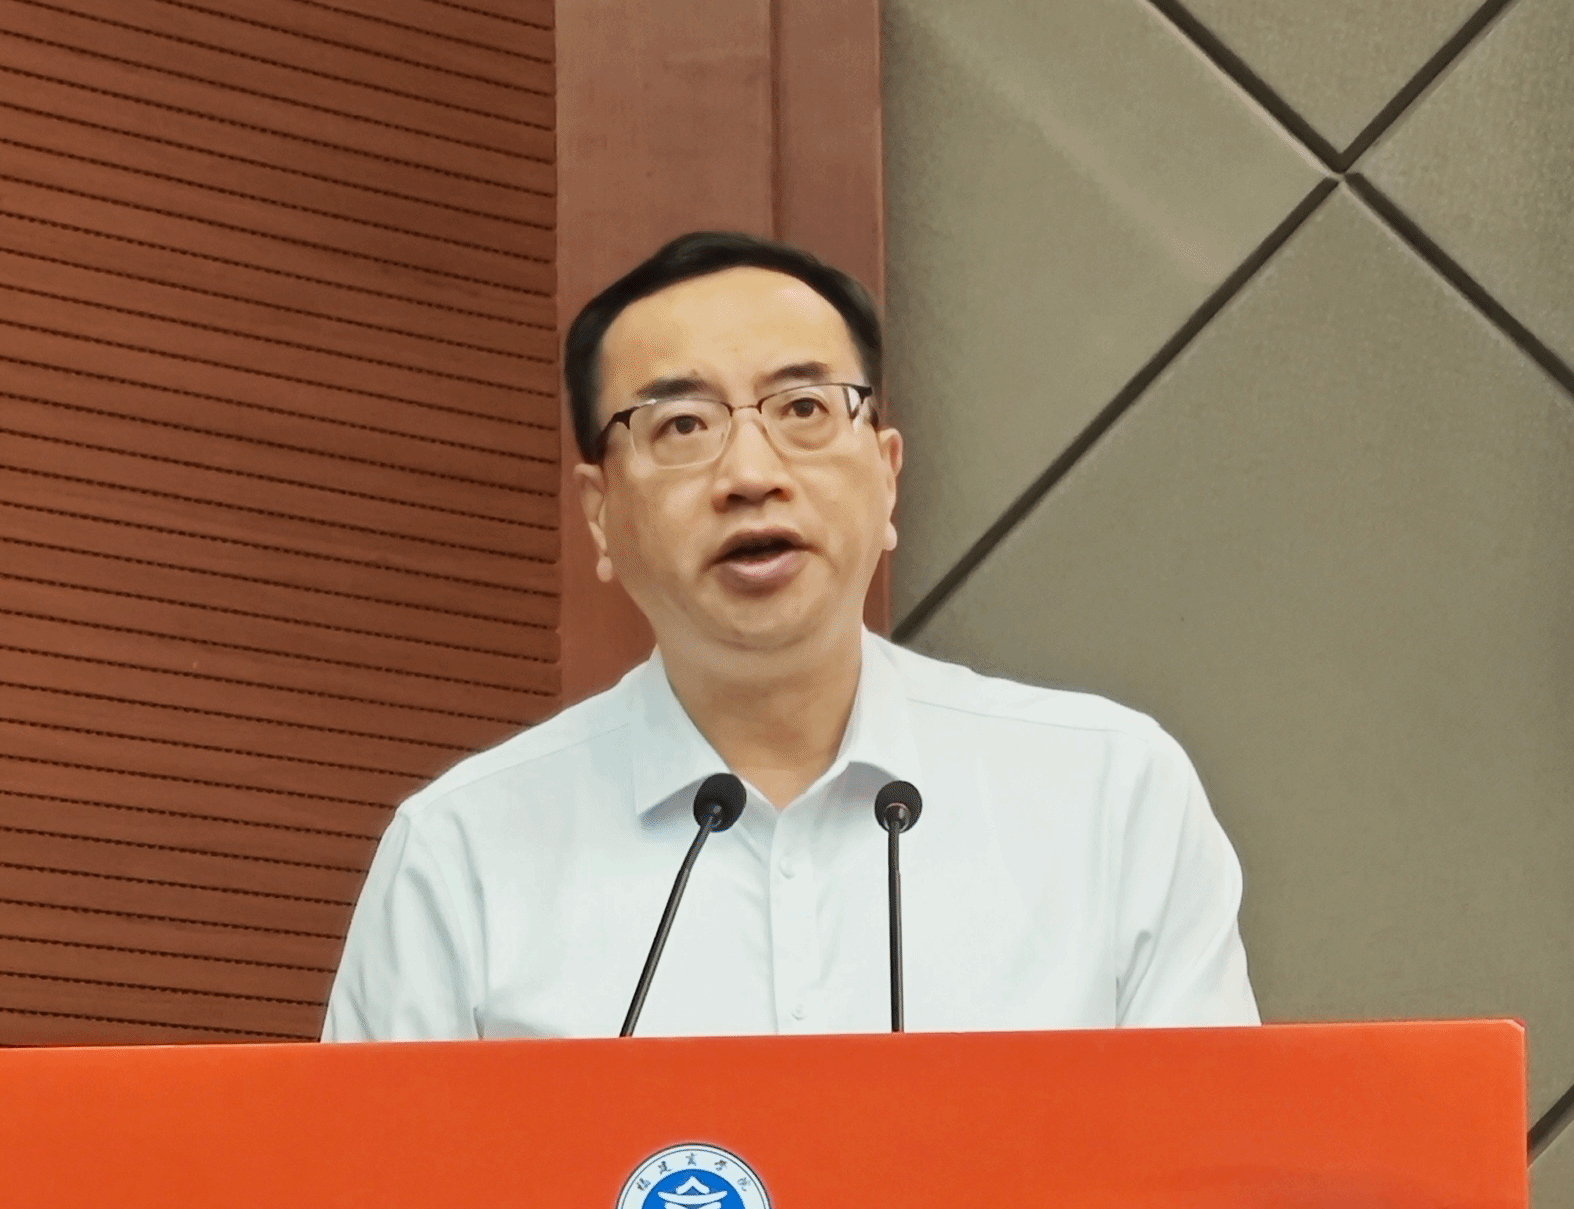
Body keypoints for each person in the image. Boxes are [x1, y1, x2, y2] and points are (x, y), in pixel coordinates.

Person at [322, 231, 1257, 1041]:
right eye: (681, 424)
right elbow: (375, 1191)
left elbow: (1213, 1173)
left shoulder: (1110, 796)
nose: (750, 473)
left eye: (805, 409)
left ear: (886, 476)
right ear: (600, 514)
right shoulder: (463, 852)